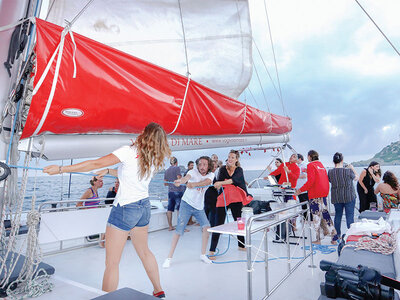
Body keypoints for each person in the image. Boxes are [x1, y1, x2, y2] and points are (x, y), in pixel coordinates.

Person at [43, 122, 169, 298]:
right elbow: (131, 174)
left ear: (144, 134)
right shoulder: (154, 158)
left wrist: (61, 169)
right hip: (143, 207)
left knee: (112, 263)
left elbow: (94, 163)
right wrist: (110, 171)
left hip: (125, 208)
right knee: (145, 252)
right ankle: (159, 291)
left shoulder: (129, 151)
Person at [162, 156, 215, 268]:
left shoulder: (211, 175)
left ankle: (203, 254)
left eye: (204, 164)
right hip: (186, 204)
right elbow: (186, 178)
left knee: (206, 227)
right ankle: (169, 258)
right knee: (179, 230)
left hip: (199, 207)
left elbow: (207, 182)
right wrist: (179, 181)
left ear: (209, 166)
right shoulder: (193, 171)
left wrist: (194, 185)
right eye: (200, 164)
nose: (202, 167)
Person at [209, 150, 250, 257]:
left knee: (239, 222)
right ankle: (212, 250)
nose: (230, 159)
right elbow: (219, 181)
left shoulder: (239, 169)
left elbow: (235, 180)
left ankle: (241, 245)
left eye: (232, 157)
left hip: (236, 199)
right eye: (229, 157)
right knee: (218, 224)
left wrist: (222, 182)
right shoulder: (222, 169)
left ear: (236, 159)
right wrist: (221, 182)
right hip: (224, 198)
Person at [295, 150, 336, 244]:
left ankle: (318, 239)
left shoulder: (310, 165)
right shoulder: (321, 165)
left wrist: (300, 190)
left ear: (309, 156)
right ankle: (334, 237)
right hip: (323, 194)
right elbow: (324, 179)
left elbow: (310, 181)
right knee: (326, 216)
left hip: (315, 195)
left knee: (316, 217)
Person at [327, 152, 358, 242]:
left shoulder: (330, 172)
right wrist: (352, 168)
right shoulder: (348, 171)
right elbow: (356, 178)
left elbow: (330, 180)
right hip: (349, 196)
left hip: (336, 197)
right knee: (350, 216)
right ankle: (350, 237)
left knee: (338, 216)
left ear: (334, 161)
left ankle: (336, 237)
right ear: (342, 160)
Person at [164, 157, 183, 231]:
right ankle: (180, 227)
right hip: (178, 191)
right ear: (176, 162)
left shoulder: (167, 170)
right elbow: (179, 179)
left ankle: (170, 226)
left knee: (169, 209)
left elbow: (165, 183)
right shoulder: (177, 168)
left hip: (170, 191)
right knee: (179, 209)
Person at [296, 154, 310, 220]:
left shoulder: (304, 165)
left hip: (303, 188)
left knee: (305, 203)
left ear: (300, 159)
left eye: (296, 158)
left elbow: (305, 176)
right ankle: (305, 218)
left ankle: (309, 218)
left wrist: (295, 176)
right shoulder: (297, 166)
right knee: (302, 204)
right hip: (298, 187)